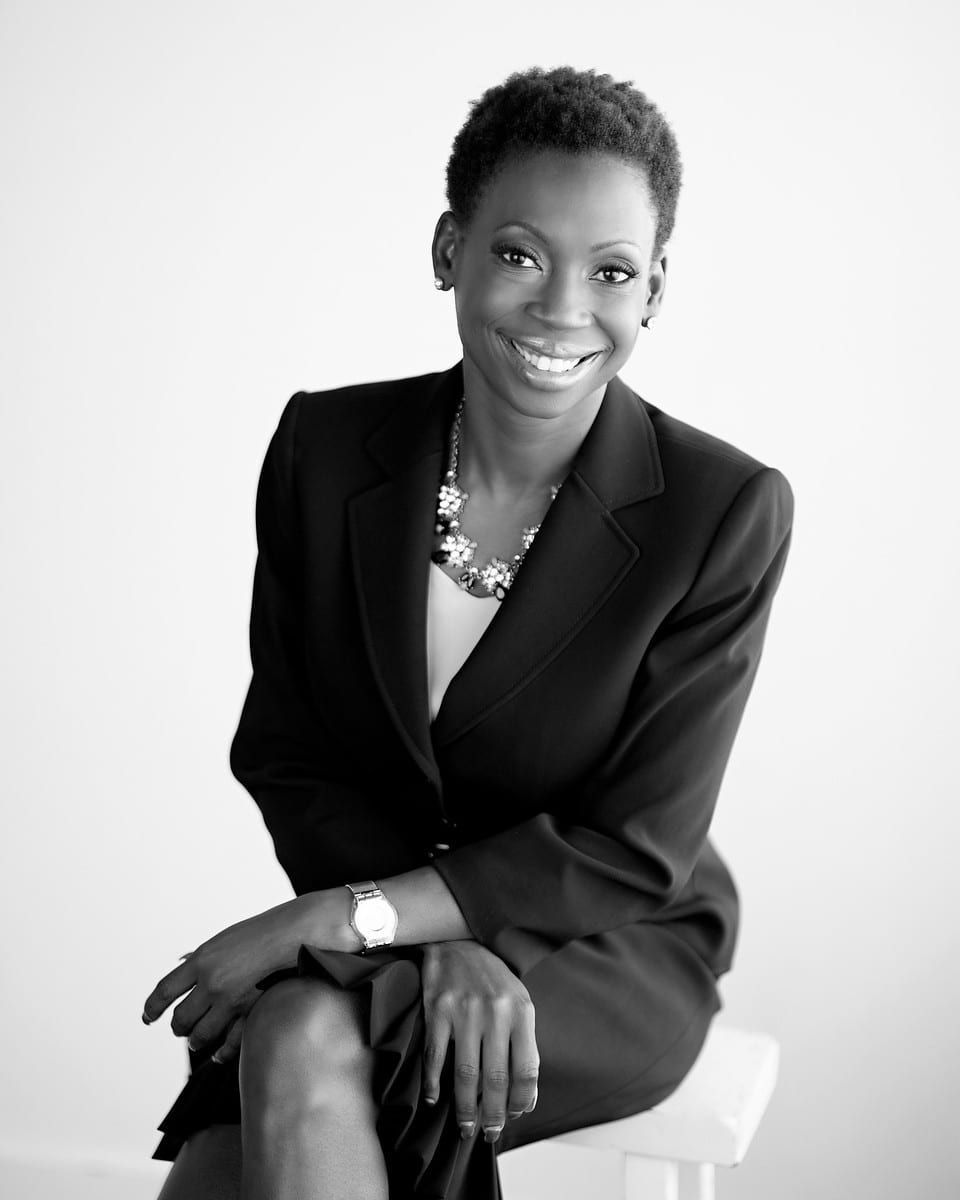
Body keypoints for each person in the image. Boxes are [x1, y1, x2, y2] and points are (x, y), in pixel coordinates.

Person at [142, 65, 794, 1200]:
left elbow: (636, 847)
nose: (561, 308)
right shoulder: (327, 449)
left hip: (610, 944)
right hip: (388, 935)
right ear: (450, 247)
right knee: (292, 1047)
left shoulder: (720, 510)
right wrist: (423, 937)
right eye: (518, 253)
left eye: (612, 272)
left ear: (656, 290)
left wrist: (365, 920)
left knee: (297, 1032)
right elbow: (290, 752)